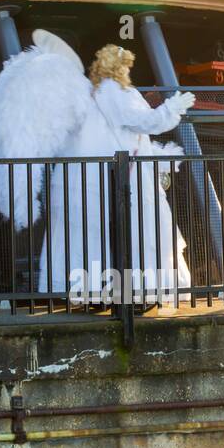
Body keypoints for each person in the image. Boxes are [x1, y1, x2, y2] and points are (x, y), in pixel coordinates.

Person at [88, 45, 195, 302]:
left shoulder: (99, 91)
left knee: (132, 228)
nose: (128, 69)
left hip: (124, 168)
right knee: (144, 227)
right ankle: (142, 290)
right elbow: (143, 121)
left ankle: (125, 289)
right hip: (133, 173)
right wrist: (174, 107)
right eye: (125, 64)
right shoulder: (116, 91)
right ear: (115, 67)